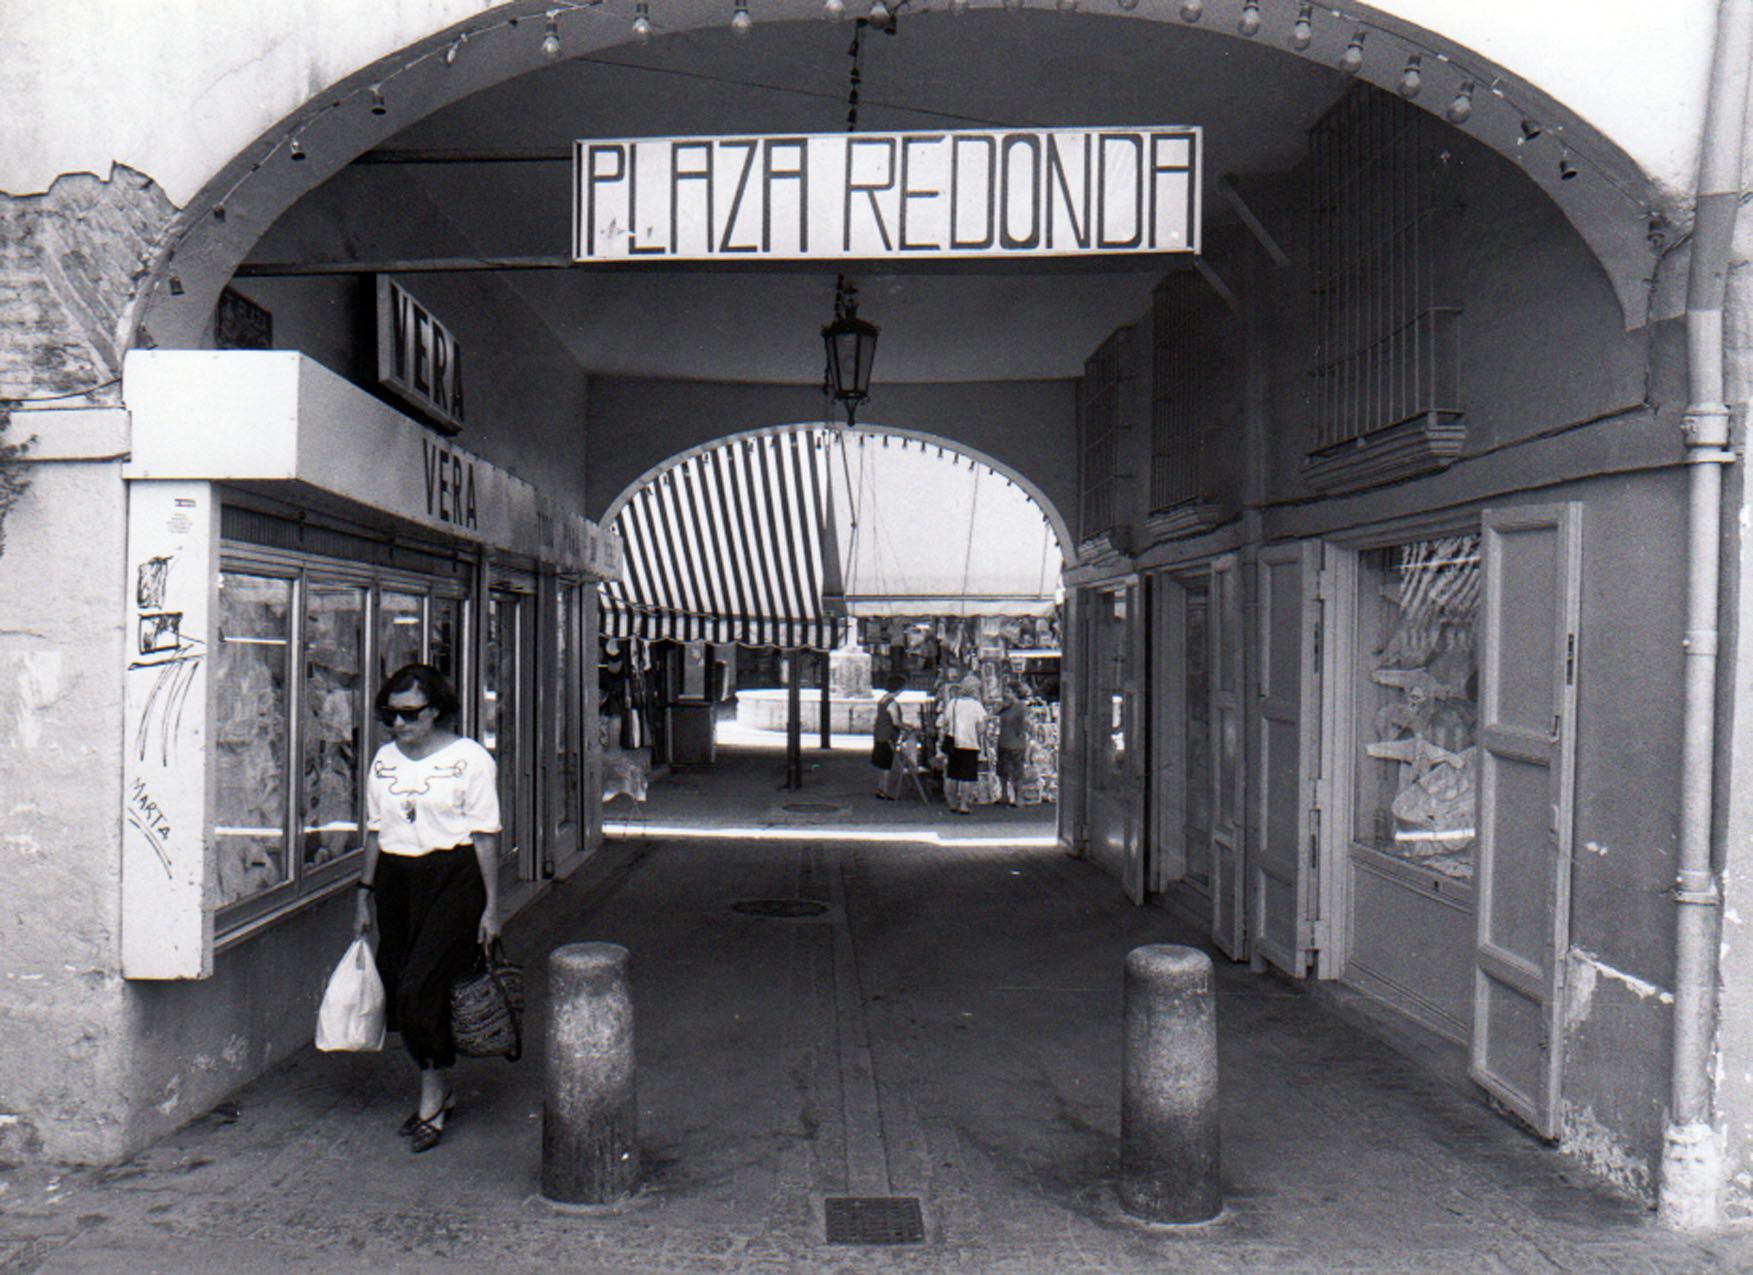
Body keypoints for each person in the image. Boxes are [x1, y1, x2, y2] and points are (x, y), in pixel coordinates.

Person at [353, 663, 502, 1154]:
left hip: (454, 877)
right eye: (389, 717)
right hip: (397, 879)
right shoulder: (384, 761)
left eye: (410, 715)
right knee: (404, 986)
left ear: (436, 711)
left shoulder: (470, 759)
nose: (399, 727)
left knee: (420, 985)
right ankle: (438, 1084)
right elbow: (376, 830)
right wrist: (364, 893)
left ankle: (433, 1097)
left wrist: (492, 908)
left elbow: (484, 836)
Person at [940, 675, 988, 815]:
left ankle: (952, 802)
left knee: (952, 774)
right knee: (967, 775)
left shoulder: (953, 703)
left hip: (954, 743)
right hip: (970, 743)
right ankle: (964, 804)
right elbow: (981, 729)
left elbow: (946, 722)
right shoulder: (977, 706)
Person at [871, 673, 906, 799]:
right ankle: (885, 791)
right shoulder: (892, 703)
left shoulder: (882, 700)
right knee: (886, 764)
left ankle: (880, 789)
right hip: (888, 736)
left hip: (879, 733)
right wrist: (907, 726)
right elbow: (896, 722)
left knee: (881, 764)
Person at [995, 684, 1030, 807]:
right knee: (1002, 770)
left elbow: (1025, 722)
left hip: (1016, 744)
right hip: (1003, 741)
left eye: (1008, 691)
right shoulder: (1005, 707)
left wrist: (1020, 733)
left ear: (1015, 693)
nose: (1006, 694)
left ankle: (1018, 797)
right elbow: (994, 716)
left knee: (1017, 771)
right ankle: (1004, 795)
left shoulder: (1020, 707)